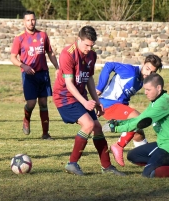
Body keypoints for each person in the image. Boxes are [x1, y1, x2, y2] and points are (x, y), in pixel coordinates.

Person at [53, 25, 125, 176]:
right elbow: (69, 84)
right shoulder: (67, 54)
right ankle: (72, 163)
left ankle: (107, 167)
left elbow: (89, 79)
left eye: (91, 45)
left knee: (97, 127)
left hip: (80, 96)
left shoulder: (91, 55)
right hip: (65, 97)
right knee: (89, 124)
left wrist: (97, 101)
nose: (88, 48)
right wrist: (86, 103)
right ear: (78, 39)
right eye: (86, 45)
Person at [110, 73, 169, 178]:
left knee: (148, 174)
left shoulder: (164, 102)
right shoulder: (155, 102)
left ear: (158, 88)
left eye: (148, 90)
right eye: (145, 90)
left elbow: (140, 122)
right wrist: (118, 122)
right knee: (133, 155)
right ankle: (164, 166)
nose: (145, 93)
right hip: (163, 144)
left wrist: (116, 128)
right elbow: (139, 118)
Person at [96, 55, 163, 167]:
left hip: (119, 106)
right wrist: (100, 87)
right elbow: (109, 65)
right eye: (147, 68)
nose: (148, 74)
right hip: (108, 104)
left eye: (152, 72)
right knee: (138, 119)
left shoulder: (142, 81)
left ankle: (146, 161)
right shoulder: (130, 71)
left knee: (139, 133)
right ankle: (118, 146)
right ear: (143, 63)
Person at [10, 10, 59, 140]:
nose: (31, 22)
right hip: (29, 76)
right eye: (28, 20)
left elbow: (50, 52)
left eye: (33, 20)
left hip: (43, 74)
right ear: (24, 22)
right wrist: (23, 66)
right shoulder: (19, 38)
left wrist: (57, 67)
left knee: (43, 103)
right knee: (31, 103)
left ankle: (45, 133)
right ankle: (26, 118)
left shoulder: (43, 35)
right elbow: (13, 57)